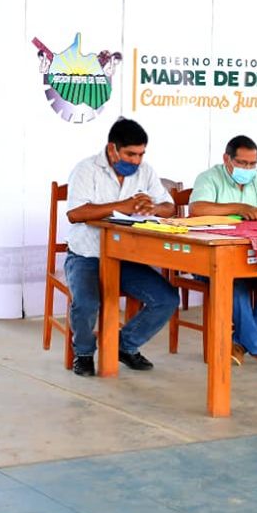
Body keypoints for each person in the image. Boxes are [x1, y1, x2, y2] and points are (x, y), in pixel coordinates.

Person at [65, 117, 179, 377]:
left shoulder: (146, 171)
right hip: (86, 254)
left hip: (126, 257)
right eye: (131, 154)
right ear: (112, 148)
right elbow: (75, 213)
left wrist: (154, 208)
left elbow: (169, 207)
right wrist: (123, 205)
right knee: (86, 303)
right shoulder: (86, 169)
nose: (137, 161)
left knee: (166, 299)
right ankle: (82, 352)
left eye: (141, 154)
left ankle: (124, 345)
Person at [188, 135, 257, 366]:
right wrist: (239, 208)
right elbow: (197, 208)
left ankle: (239, 343)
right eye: (242, 163)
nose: (247, 168)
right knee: (233, 283)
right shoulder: (209, 177)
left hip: (250, 255)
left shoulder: (256, 179)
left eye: (252, 164)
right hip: (210, 257)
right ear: (227, 159)